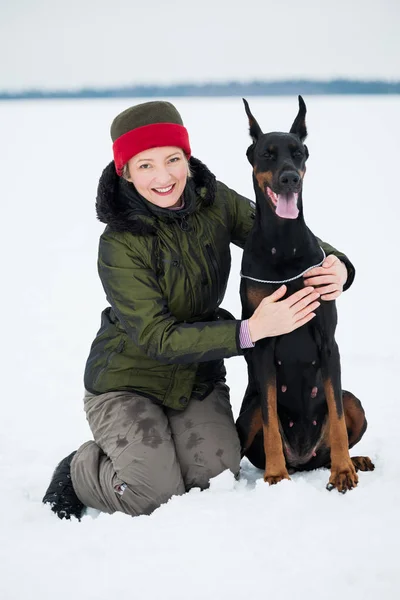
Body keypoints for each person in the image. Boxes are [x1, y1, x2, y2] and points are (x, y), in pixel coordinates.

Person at [43, 101, 354, 520]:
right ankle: (81, 468)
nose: (164, 176)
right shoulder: (118, 243)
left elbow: (282, 232)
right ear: (126, 171)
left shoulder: (215, 201)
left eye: (173, 159)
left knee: (216, 475)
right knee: (152, 494)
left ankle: (157, 446)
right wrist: (249, 331)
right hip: (128, 380)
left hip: (195, 376)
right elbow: (157, 337)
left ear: (186, 158)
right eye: (146, 165)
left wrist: (338, 265)